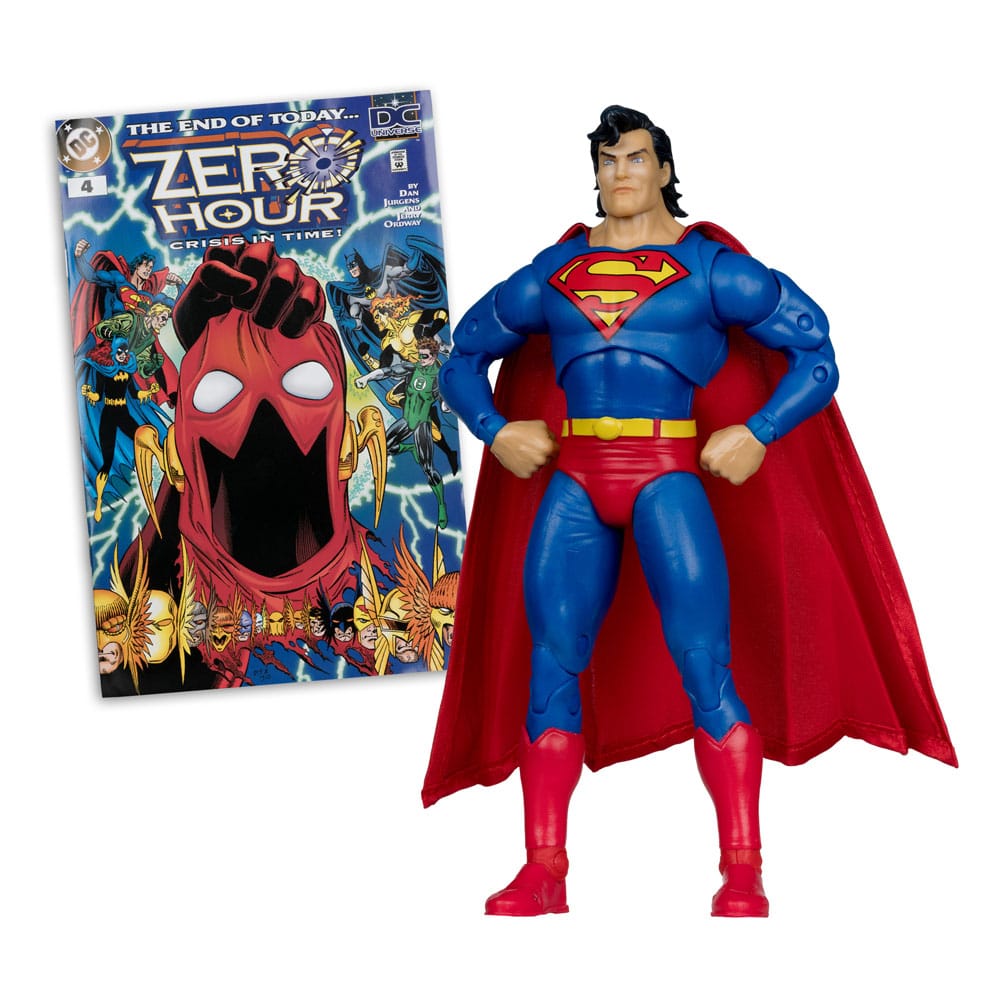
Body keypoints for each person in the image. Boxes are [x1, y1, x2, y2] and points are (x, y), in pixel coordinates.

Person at [422, 105, 956, 918]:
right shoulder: (554, 273)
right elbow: (461, 357)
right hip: (577, 479)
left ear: (665, 169)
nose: (621, 172)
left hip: (667, 475)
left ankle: (743, 870)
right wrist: (495, 429)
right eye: (608, 160)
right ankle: (544, 870)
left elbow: (816, 351)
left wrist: (760, 430)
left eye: (636, 157)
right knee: (551, 666)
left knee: (706, 665)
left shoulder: (711, 271)